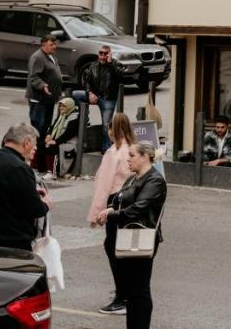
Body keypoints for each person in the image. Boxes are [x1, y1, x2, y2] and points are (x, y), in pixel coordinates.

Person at [96, 142, 166, 328]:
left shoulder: (155, 180)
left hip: (141, 237)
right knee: (131, 288)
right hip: (126, 235)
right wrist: (110, 208)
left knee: (140, 288)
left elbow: (138, 208)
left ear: (145, 157)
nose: (128, 159)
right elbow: (120, 199)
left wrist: (113, 214)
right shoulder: (133, 178)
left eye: (132, 155)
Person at [91, 113, 138, 315]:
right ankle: (126, 292)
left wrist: (96, 213)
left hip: (114, 202)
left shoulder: (114, 153)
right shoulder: (134, 150)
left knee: (113, 248)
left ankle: (122, 298)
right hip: (131, 203)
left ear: (113, 130)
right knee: (125, 250)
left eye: (109, 129)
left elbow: (104, 185)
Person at [0, 124, 52, 251]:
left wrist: (30, 190)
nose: (36, 148)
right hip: (12, 242)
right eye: (35, 144)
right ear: (27, 142)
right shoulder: (20, 168)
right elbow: (35, 209)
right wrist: (45, 203)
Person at [26, 33, 63, 175]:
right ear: (43, 44)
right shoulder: (38, 57)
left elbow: (55, 75)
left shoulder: (51, 56)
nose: (55, 46)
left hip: (48, 100)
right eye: (51, 44)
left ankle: (40, 165)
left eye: (55, 44)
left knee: (45, 132)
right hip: (39, 100)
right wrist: (43, 86)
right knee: (37, 132)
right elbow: (33, 77)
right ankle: (34, 165)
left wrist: (57, 93)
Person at [74, 45, 123, 151]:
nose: (102, 56)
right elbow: (87, 81)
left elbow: (120, 77)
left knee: (106, 125)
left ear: (109, 54)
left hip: (107, 99)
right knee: (75, 94)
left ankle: (106, 148)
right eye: (101, 53)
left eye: (105, 54)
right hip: (95, 96)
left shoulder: (115, 64)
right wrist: (90, 93)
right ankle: (85, 117)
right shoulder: (93, 66)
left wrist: (110, 64)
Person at [44, 96, 83, 175]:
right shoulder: (62, 115)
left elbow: (68, 134)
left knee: (52, 147)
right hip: (60, 139)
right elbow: (52, 126)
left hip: (69, 142)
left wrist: (55, 141)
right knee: (41, 144)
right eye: (60, 106)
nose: (61, 108)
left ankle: (52, 173)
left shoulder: (74, 117)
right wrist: (48, 135)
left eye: (63, 106)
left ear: (69, 106)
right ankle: (40, 168)